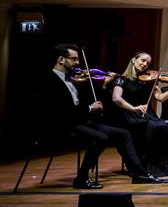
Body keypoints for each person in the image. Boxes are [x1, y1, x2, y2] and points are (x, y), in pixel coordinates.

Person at [37, 43, 158, 189]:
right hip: (62, 125)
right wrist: (89, 108)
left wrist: (104, 85)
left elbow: (93, 101)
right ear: (61, 59)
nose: (77, 63)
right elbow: (62, 110)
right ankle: (81, 178)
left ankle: (139, 174)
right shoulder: (48, 80)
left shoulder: (72, 80)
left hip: (81, 122)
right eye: (74, 59)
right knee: (101, 138)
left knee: (123, 134)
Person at [110, 51, 168, 177]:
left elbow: (160, 97)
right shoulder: (121, 79)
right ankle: (143, 166)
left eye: (148, 63)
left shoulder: (148, 80)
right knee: (150, 127)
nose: (145, 64)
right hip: (128, 114)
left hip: (147, 114)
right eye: (142, 60)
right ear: (133, 60)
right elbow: (116, 98)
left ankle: (160, 168)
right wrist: (133, 108)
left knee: (162, 126)